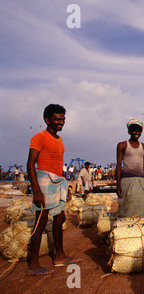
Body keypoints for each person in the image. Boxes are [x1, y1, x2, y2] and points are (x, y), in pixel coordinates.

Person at [26, 104, 81, 276]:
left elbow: (58, 165)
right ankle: (33, 264)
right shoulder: (39, 137)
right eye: (57, 119)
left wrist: (66, 189)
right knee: (41, 221)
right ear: (47, 120)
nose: (61, 122)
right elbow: (30, 164)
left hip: (58, 182)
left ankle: (60, 256)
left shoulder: (59, 139)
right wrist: (36, 190)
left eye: (63, 119)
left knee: (60, 219)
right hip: (43, 181)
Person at [116, 119, 144, 218]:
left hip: (140, 181)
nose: (136, 133)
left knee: (141, 205)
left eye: (139, 131)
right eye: (134, 130)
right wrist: (118, 185)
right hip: (126, 181)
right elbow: (119, 165)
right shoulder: (122, 145)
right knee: (126, 206)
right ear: (129, 131)